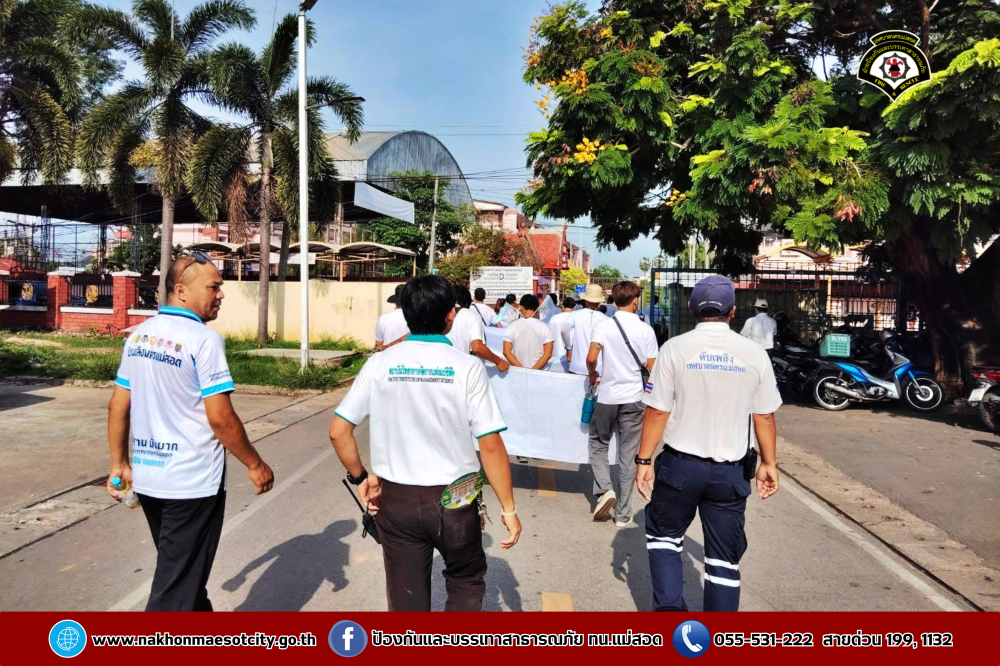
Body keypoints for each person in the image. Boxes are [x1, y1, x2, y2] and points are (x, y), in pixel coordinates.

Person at [329, 275, 522, 612]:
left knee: (406, 599)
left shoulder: (379, 364)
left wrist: (362, 477)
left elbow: (338, 431)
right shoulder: (467, 367)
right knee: (465, 582)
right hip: (456, 499)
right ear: (451, 315)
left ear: (407, 314)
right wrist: (509, 508)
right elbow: (490, 444)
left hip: (396, 500)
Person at [107, 253, 274, 611]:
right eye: (214, 287)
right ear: (181, 291)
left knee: (183, 576)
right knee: (174, 591)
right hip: (193, 485)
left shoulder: (139, 336)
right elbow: (221, 418)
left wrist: (119, 464)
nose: (221, 294)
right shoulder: (204, 340)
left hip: (150, 479)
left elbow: (118, 405)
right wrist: (255, 464)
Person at [636, 274, 781, 612]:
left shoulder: (674, 349)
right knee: (723, 560)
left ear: (691, 309)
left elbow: (657, 411)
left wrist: (644, 461)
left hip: (679, 468)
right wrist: (769, 464)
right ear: (733, 311)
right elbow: (764, 417)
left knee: (664, 541)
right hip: (730, 474)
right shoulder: (754, 354)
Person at [585, 281, 657, 525]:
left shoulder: (603, 326)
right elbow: (652, 369)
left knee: (598, 444)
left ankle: (605, 489)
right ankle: (623, 514)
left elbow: (591, 358)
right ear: (635, 301)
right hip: (635, 399)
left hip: (607, 396)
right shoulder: (646, 330)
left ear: (614, 301)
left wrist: (592, 373)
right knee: (628, 455)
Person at [448, 286, 509, 371]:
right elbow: (477, 347)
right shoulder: (475, 315)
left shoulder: (442, 315)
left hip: (445, 366)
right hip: (466, 367)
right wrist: (498, 361)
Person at [562, 284, 609, 376]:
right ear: (599, 302)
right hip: (598, 368)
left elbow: (564, 330)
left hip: (577, 367)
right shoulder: (605, 319)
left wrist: (568, 349)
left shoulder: (575, 314)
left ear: (586, 301)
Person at [503, 294, 554, 370]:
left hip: (518, 372)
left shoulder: (511, 326)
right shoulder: (545, 327)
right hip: (540, 372)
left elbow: (506, 352)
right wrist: (532, 371)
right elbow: (548, 354)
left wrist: (523, 371)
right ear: (537, 307)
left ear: (521, 307)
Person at [374, 285, 409, 351]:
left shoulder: (383, 318)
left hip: (389, 355)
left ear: (395, 302)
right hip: (410, 355)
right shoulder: (416, 318)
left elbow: (378, 344)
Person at [548, 297, 576, 364]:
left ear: (563, 306)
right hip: (573, 355)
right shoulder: (577, 319)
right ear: (574, 307)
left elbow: (549, 337)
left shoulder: (554, 318)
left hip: (556, 354)